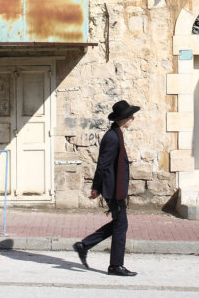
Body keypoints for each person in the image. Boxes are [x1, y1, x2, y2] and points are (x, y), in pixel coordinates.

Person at [73, 100, 139, 276]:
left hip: (114, 187)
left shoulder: (117, 133)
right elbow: (102, 164)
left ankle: (85, 245)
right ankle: (115, 265)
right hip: (112, 188)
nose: (133, 118)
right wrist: (96, 187)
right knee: (121, 224)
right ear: (124, 118)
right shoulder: (112, 137)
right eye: (131, 115)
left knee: (119, 223)